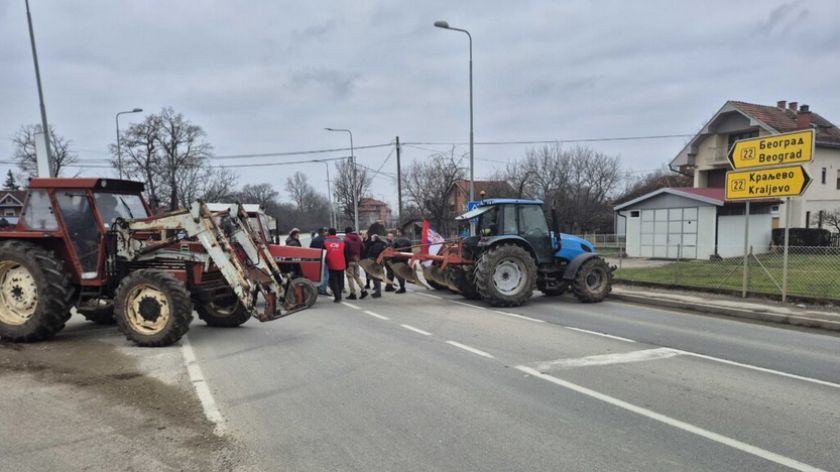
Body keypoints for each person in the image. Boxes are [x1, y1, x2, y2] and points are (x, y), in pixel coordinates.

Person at [342, 226, 368, 300]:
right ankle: (363, 290)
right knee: (356, 276)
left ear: (345, 232)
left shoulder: (346, 240)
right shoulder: (358, 239)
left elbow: (345, 251)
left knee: (350, 277)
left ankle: (353, 293)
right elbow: (363, 248)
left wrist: (345, 261)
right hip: (357, 260)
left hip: (349, 260)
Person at [324, 228, 346, 303]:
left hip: (331, 263)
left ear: (329, 233)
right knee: (340, 280)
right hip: (341, 263)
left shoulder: (325, 242)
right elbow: (345, 252)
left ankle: (337, 297)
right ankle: (339, 294)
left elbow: (323, 253)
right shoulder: (341, 241)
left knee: (333, 281)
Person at [364, 233, 388, 298]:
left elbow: (374, 253)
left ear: (375, 238)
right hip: (378, 262)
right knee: (375, 277)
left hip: (376, 262)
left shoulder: (377, 245)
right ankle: (377, 291)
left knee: (376, 277)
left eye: (372, 238)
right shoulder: (381, 244)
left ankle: (378, 292)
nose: (371, 239)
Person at [309, 227, 330, 295]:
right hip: (324, 258)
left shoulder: (314, 240)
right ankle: (323, 289)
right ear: (323, 232)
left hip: (316, 259)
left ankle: (318, 287)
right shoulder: (326, 240)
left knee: (318, 274)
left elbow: (310, 250)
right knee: (326, 275)